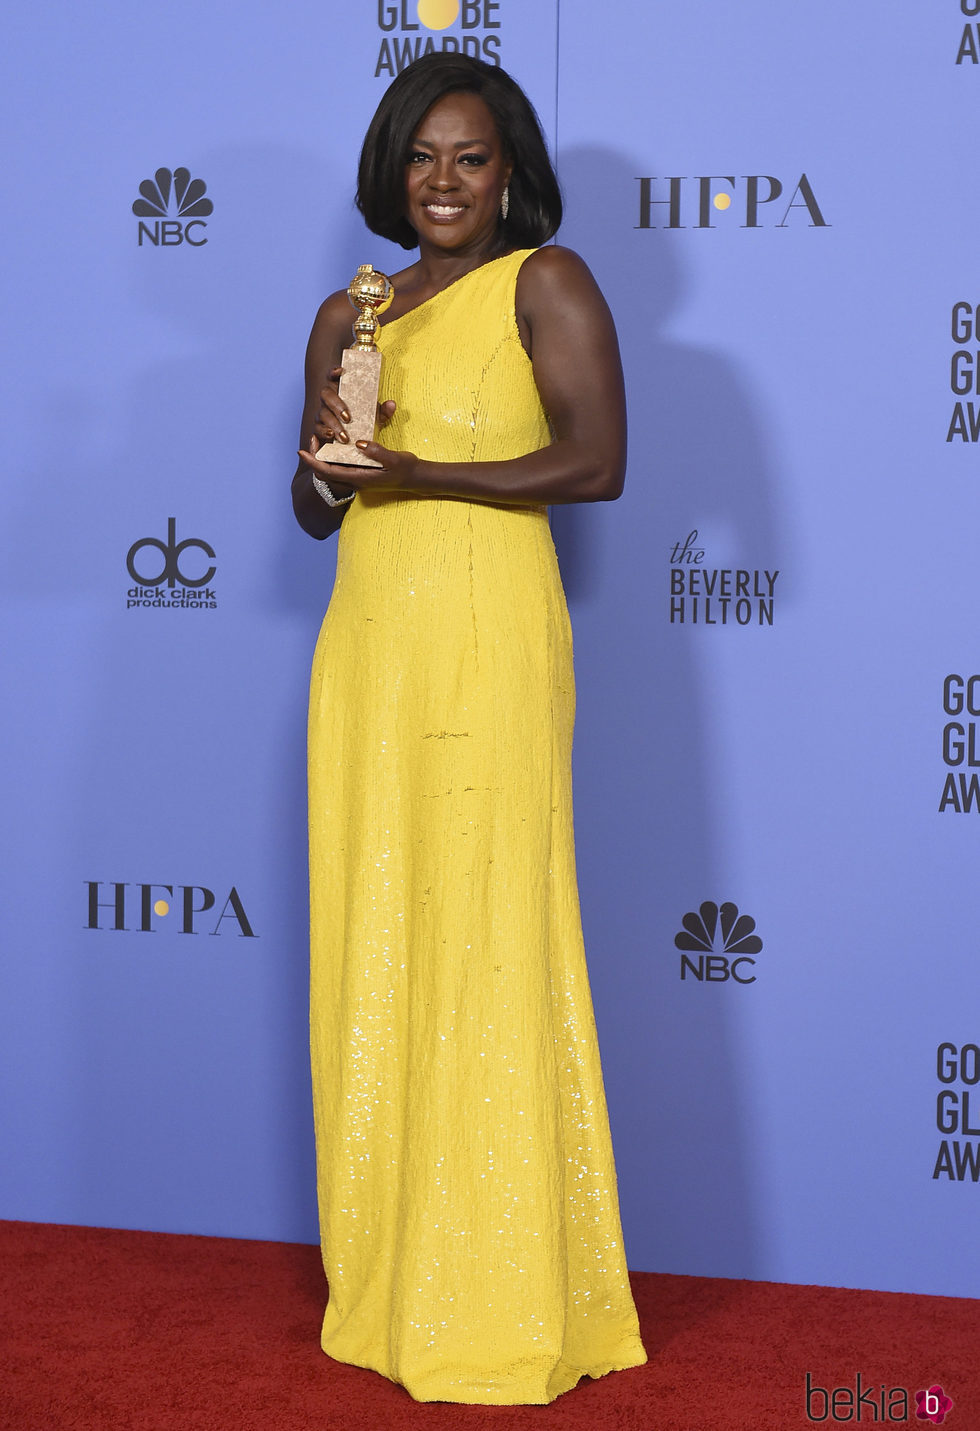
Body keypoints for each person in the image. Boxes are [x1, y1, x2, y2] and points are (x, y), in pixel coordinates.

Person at [291, 51, 646, 1405]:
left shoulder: (544, 283)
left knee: (491, 931)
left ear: (511, 176)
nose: (445, 183)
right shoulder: (350, 307)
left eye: (472, 159)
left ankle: (503, 1288)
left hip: (491, 639)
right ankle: (389, 1286)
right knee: (383, 928)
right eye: (424, 159)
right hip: (372, 649)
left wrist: (420, 467)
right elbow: (314, 508)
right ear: (392, 169)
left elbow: (601, 462)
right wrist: (335, 450)